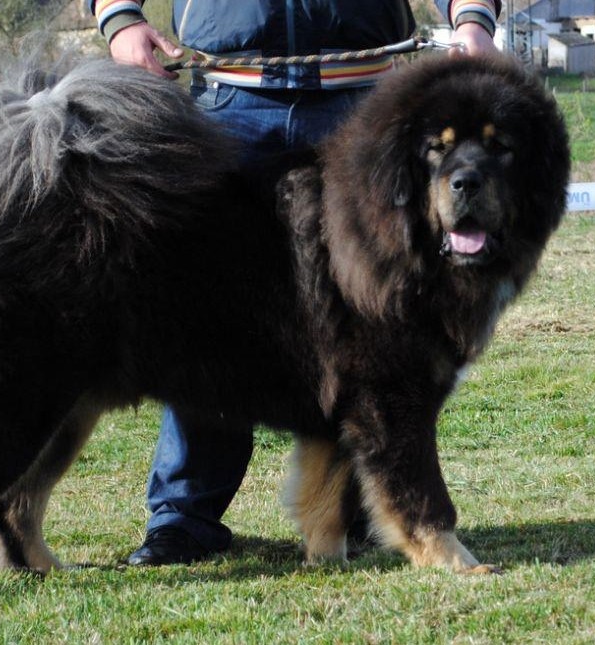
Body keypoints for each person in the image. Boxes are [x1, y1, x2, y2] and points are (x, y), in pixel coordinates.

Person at [90, 0, 500, 566]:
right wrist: (121, 20)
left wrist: (473, 18)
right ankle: (184, 520)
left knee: (375, 336)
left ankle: (348, 515)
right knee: (205, 327)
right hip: (228, 98)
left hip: (361, 100)